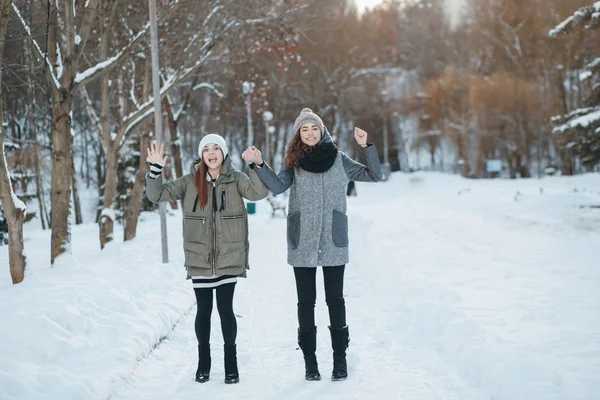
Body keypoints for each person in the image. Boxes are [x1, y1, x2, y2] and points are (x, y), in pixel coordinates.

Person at [242, 108, 382, 382]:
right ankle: (310, 364)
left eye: (314, 128)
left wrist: (366, 146)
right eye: (304, 129)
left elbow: (374, 175)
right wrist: (259, 165)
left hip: (333, 238)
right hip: (302, 239)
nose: (309, 133)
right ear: (298, 134)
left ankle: (340, 362)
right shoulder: (293, 162)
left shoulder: (339, 160)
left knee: (335, 301)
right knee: (306, 303)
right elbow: (278, 186)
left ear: (322, 131)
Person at [146, 134, 268, 384]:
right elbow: (156, 195)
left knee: (226, 311)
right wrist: (155, 170)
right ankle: (204, 362)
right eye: (206, 149)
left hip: (228, 256)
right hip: (200, 256)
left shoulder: (235, 179)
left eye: (216, 149)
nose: (211, 153)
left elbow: (257, 192)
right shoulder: (190, 181)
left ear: (223, 152)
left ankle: (231, 364)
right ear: (201, 155)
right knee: (203, 311)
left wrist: (257, 166)